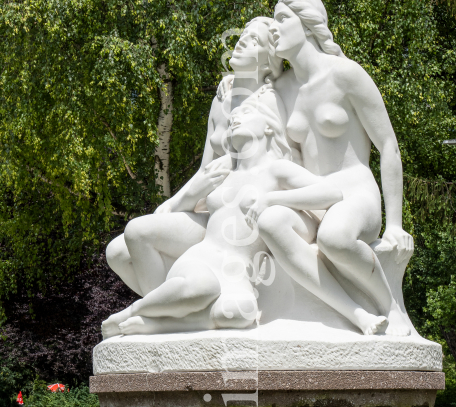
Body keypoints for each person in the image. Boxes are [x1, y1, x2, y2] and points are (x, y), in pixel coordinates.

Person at [102, 88, 388, 337]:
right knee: (199, 286)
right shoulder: (222, 173)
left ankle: (154, 324)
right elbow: (165, 215)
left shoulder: (276, 169)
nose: (235, 118)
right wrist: (191, 192)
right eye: (233, 117)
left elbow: (331, 194)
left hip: (238, 271)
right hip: (203, 257)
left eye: (247, 113)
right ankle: (138, 312)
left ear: (267, 127)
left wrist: (271, 199)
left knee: (240, 313)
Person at [259, 0, 414, 335]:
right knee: (270, 221)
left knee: (334, 238)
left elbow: (388, 145)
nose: (274, 28)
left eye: (282, 19)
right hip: (311, 195)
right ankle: (353, 312)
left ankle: (391, 307)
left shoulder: (346, 75)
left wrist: (395, 224)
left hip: (353, 190)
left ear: (309, 24)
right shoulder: (281, 89)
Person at [104, 17, 283, 299]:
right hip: (205, 207)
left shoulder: (271, 100)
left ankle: (160, 319)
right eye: (244, 34)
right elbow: (205, 171)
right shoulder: (222, 99)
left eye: (255, 40)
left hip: (231, 220)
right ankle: (173, 307)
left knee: (138, 232)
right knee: (116, 252)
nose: (241, 40)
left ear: (268, 62)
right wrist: (179, 201)